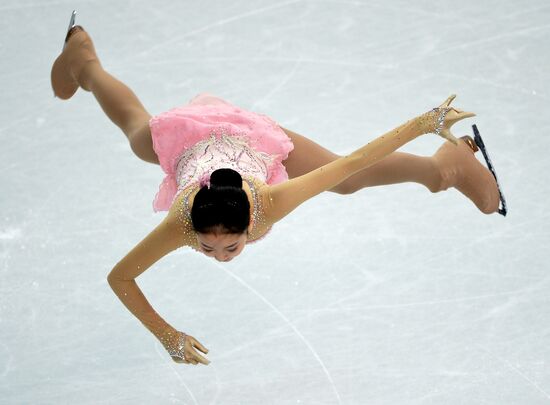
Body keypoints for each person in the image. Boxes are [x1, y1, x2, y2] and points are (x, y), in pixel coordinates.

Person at [51, 14, 502, 366]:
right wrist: (166, 334)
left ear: (251, 222)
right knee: (136, 132)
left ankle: (446, 167)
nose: (221, 256)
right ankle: (83, 61)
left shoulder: (270, 201)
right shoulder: (183, 223)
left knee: (347, 183)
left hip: (244, 138)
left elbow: (352, 162)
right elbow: (120, 276)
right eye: (212, 249)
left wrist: (423, 124)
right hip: (190, 139)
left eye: (227, 246)